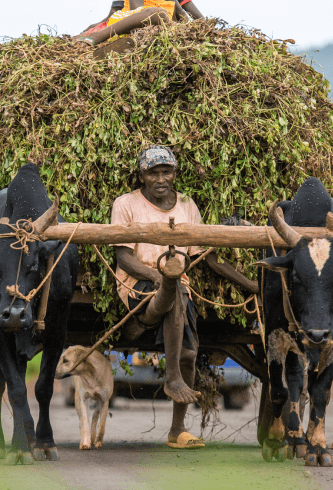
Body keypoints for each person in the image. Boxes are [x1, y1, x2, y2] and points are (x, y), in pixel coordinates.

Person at [110, 145, 250, 449]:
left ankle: (177, 430)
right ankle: (171, 377)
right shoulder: (125, 204)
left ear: (175, 174)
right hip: (139, 284)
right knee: (173, 289)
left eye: (166, 172)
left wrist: (249, 285)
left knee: (188, 354)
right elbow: (123, 256)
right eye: (153, 173)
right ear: (142, 176)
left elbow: (208, 257)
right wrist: (157, 276)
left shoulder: (187, 205)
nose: (160, 179)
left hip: (179, 284)